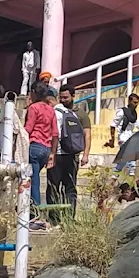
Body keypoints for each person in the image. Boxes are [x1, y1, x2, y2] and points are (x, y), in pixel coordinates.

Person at [48, 85, 90, 218]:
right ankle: (58, 218)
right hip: (65, 156)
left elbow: (87, 134)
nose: (63, 100)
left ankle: (66, 217)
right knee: (58, 188)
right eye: (60, 97)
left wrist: (86, 154)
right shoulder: (61, 111)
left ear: (73, 96)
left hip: (68, 156)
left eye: (65, 97)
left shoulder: (80, 114)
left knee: (64, 188)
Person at [24, 87, 58, 222]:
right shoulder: (51, 110)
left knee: (33, 183)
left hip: (34, 146)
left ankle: (34, 215)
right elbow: (55, 133)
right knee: (35, 180)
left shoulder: (33, 108)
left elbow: (28, 128)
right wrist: (52, 153)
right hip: (46, 149)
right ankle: (34, 214)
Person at [105, 93, 139, 174]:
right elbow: (113, 125)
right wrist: (112, 139)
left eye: (137, 103)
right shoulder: (122, 111)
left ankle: (115, 175)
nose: (136, 105)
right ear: (129, 101)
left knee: (123, 160)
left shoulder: (134, 115)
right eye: (134, 102)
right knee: (130, 156)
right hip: (123, 138)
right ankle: (131, 176)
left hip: (131, 138)